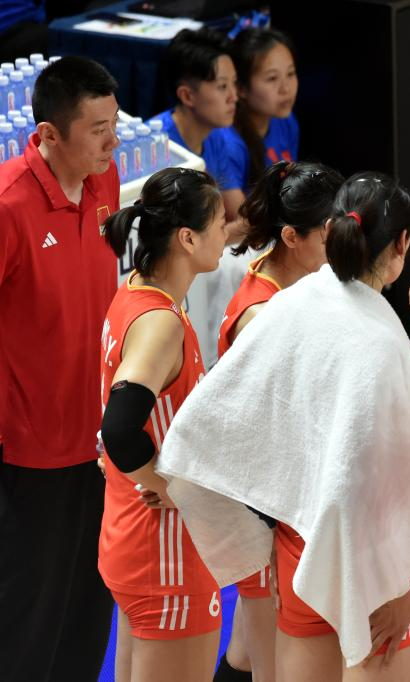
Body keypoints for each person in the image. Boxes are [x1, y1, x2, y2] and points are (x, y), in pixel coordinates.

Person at [154, 171, 410, 682]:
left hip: (299, 555)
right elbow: (384, 476)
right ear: (402, 245)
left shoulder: (288, 304)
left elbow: (209, 418)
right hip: (373, 570)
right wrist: (401, 587)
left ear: (330, 229)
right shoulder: (383, 338)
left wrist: (173, 480)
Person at [0, 55, 120, 682]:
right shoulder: (8, 204)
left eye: (115, 124)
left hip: (98, 441)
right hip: (31, 452)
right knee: (28, 619)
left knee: (88, 609)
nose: (113, 141)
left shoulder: (106, 181)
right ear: (49, 133)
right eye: (98, 129)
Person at [214, 159, 343, 682]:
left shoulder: (297, 281)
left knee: (247, 650)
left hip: (284, 498)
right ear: (292, 237)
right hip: (266, 506)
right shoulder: (262, 316)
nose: (342, 242)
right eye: (330, 233)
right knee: (267, 661)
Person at [98, 167, 228, 681]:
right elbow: (119, 429)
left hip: (133, 538)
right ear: (187, 238)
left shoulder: (135, 291)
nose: (227, 230)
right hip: (165, 554)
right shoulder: (160, 324)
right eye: (219, 222)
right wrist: (171, 487)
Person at [154, 28, 247, 226]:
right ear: (187, 96)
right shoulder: (156, 147)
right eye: (222, 86)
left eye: (234, 83)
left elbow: (241, 216)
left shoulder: (217, 136)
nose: (234, 97)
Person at [230, 28, 299, 189]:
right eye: (272, 78)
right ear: (241, 88)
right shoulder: (228, 143)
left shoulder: (287, 122)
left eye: (290, 73)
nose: (286, 89)